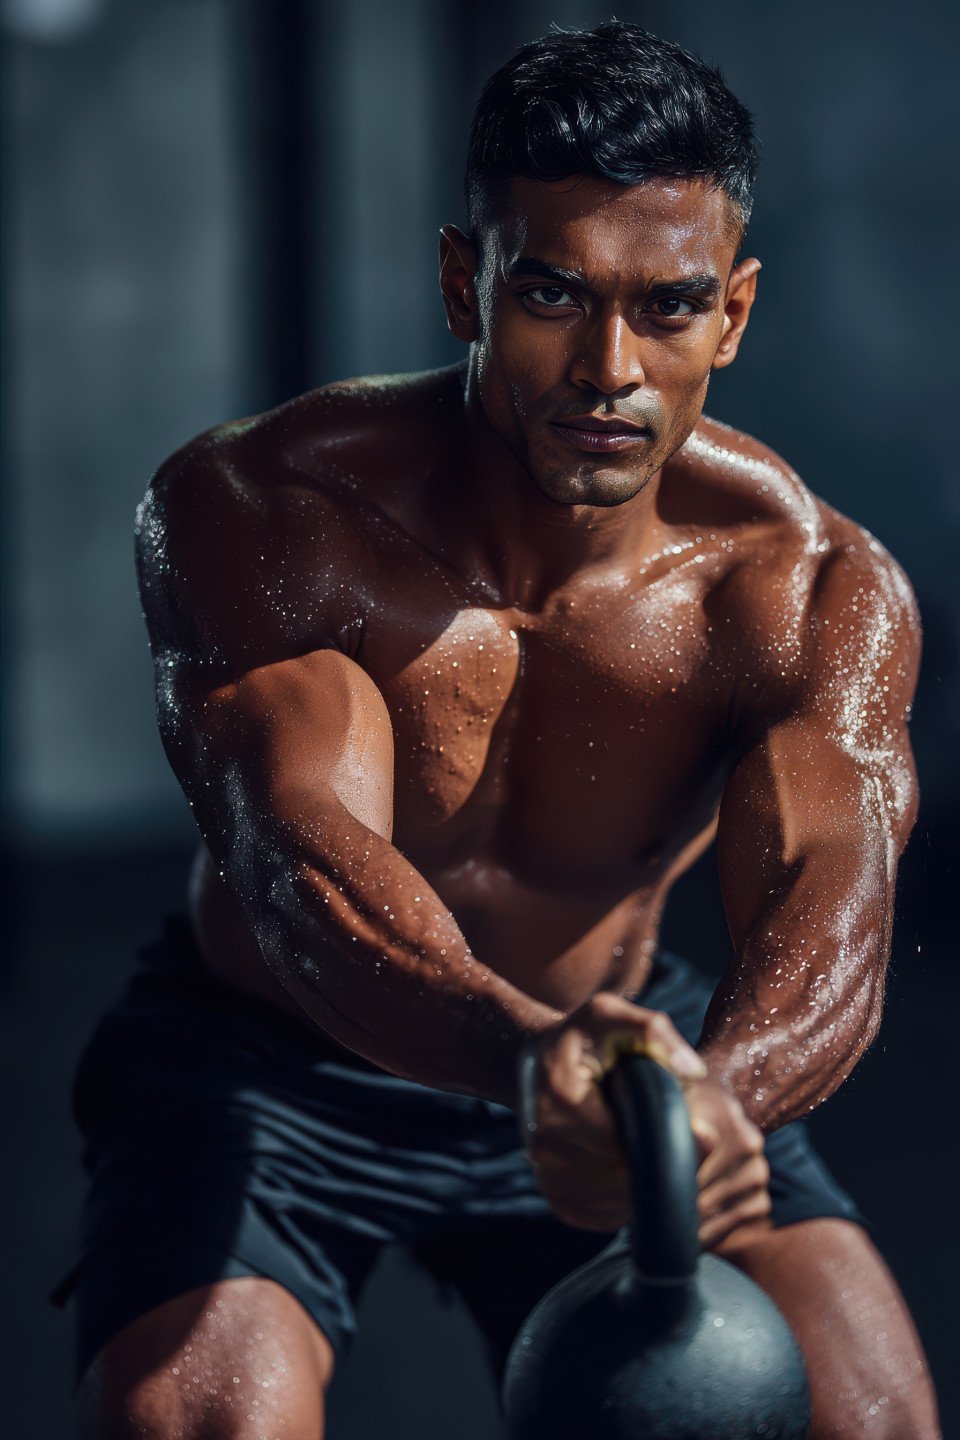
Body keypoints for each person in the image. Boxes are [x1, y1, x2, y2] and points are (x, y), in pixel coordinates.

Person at [56, 21, 940, 1439]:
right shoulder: (273, 518)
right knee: (194, 1424)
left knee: (875, 1419)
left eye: (667, 306)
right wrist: (519, 1051)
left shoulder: (808, 591)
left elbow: (834, 905)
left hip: (630, 1065)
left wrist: (722, 1096)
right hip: (281, 1063)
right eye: (553, 295)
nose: (609, 367)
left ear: (735, 314)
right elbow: (300, 858)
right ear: (467, 286)